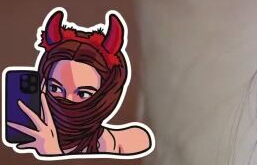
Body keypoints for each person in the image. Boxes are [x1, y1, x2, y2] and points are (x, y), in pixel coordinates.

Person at [7, 9, 155, 157]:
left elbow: (144, 140)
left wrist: (53, 153)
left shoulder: (120, 143)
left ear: (107, 92)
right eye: (55, 88)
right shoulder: (25, 139)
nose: (67, 99)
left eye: (83, 93)